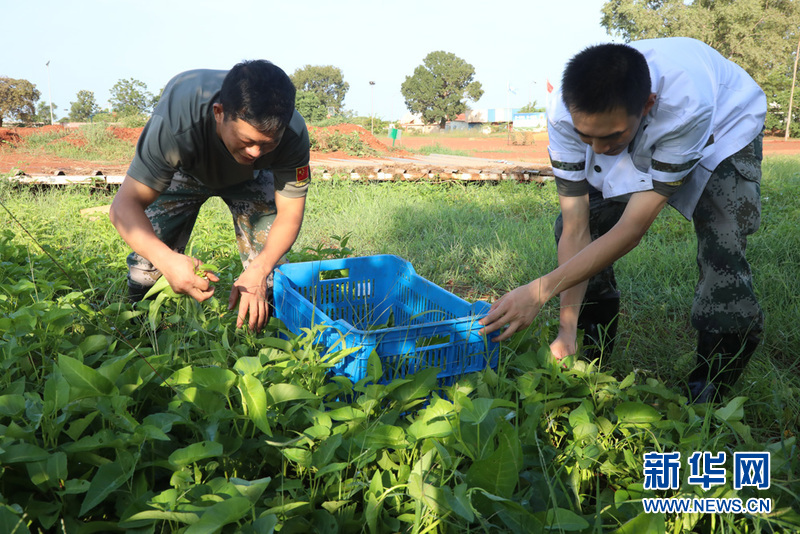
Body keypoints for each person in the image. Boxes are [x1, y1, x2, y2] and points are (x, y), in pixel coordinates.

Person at [479, 37, 766, 403]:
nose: (598, 149)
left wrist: (539, 291)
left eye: (610, 136)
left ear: (647, 105)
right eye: (586, 137)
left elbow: (632, 229)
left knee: (722, 243)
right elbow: (576, 227)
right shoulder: (564, 115)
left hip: (724, 127)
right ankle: (588, 349)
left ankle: (710, 387)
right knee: (586, 221)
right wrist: (566, 328)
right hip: (642, 126)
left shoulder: (686, 105)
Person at [109, 60, 310, 332]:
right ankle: (142, 334)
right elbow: (124, 205)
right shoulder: (176, 120)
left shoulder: (292, 133)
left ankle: (261, 335)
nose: (255, 152)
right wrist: (167, 260)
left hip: (253, 176)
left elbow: (290, 214)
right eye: (247, 141)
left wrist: (260, 269)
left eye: (267, 144)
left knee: (271, 268)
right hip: (186, 168)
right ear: (219, 113)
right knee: (147, 263)